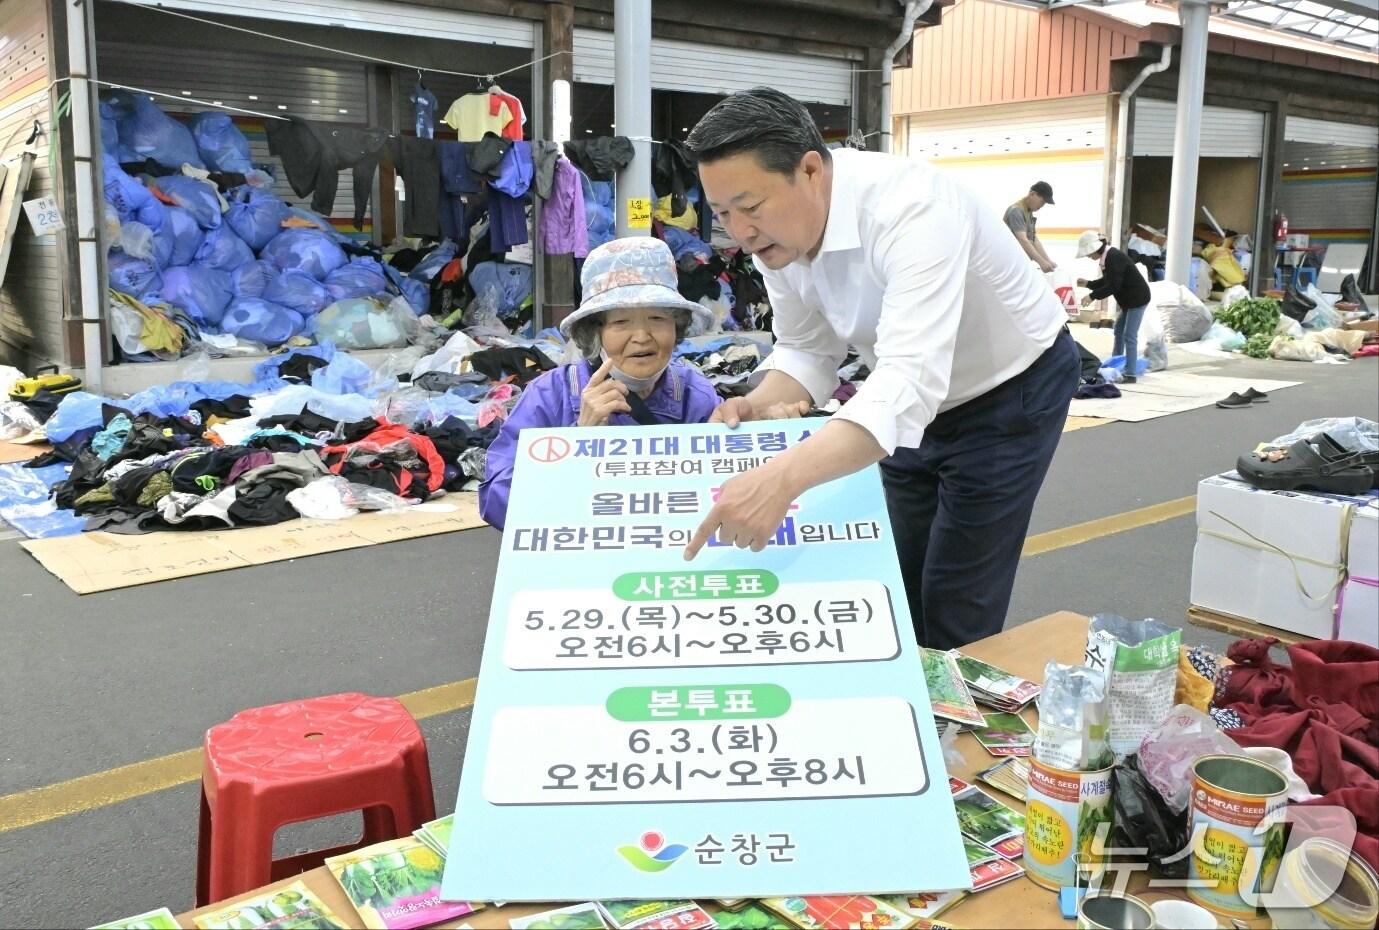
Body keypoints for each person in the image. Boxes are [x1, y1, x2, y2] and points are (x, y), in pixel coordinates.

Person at [683, 87, 1079, 651]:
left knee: (955, 597)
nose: (740, 231)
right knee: (892, 575)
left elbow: (909, 379)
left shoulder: (912, 208)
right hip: (901, 397)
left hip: (1010, 390)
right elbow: (805, 351)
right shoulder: (777, 240)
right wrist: (758, 400)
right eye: (722, 213)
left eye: (750, 206)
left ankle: (948, 729)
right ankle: (905, 711)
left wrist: (781, 478)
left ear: (811, 170)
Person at [478, 237, 720, 529]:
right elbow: (496, 499)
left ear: (676, 327)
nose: (642, 336)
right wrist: (578, 441)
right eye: (621, 322)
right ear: (595, 332)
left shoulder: (696, 395)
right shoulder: (551, 394)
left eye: (657, 318)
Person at [1075, 230, 1152, 384]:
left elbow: (1113, 286)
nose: (1089, 257)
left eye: (1089, 254)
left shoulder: (1113, 257)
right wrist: (1089, 284)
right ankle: (1115, 364)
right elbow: (1108, 281)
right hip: (1128, 301)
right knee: (1118, 331)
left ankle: (1130, 374)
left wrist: (1092, 296)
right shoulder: (1108, 257)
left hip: (1137, 299)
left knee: (1130, 335)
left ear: (1095, 249)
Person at [1004, 182, 1058, 273]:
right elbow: (1023, 240)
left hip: (1018, 263)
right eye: (1042, 201)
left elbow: (1034, 240)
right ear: (1032, 194)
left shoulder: (1028, 212)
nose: (1042, 206)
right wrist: (1042, 262)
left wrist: (1048, 260)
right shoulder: (1016, 211)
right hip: (1008, 264)